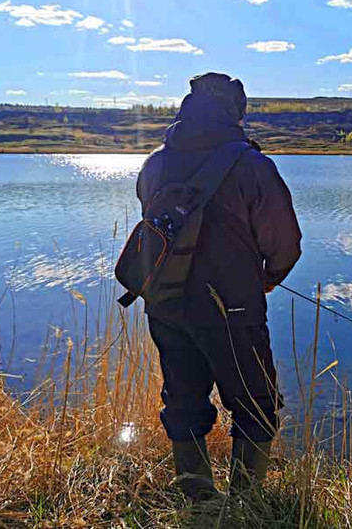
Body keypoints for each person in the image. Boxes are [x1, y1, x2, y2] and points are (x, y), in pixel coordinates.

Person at [135, 72, 302, 500]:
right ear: (233, 111)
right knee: (256, 405)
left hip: (166, 305)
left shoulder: (154, 163)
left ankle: (197, 498)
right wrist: (269, 278)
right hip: (235, 311)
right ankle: (247, 505)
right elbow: (285, 244)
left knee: (183, 401)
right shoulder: (253, 165)